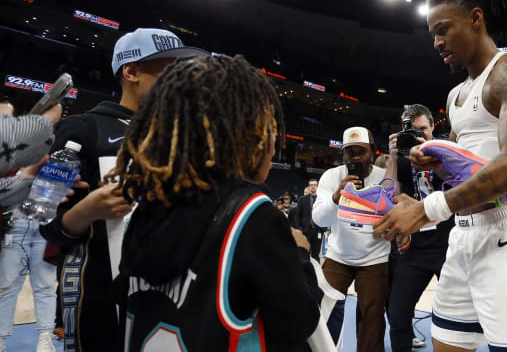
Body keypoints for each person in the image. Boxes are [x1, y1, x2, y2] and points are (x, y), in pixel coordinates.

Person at [375, 0, 507, 352]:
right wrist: (436, 164)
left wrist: (427, 210)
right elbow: (463, 170)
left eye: (443, 30)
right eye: (432, 34)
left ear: (476, 18)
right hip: (463, 235)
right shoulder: (456, 95)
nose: (436, 42)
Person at [106, 54, 321, 351]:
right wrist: (300, 254)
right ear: (244, 134)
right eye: (267, 127)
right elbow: (298, 322)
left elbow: (121, 295)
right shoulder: (253, 214)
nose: (274, 142)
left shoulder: (150, 206)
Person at [39, 28, 208, 352]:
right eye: (170, 70)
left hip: (171, 296)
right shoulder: (82, 129)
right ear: (131, 72)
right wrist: (87, 210)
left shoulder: (183, 141)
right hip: (101, 302)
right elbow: (44, 218)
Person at [384, 104, 453, 352]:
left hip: (450, 245)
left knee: (454, 319)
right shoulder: (401, 157)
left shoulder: (448, 148)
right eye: (413, 131)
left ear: (433, 126)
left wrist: (434, 158)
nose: (419, 135)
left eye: (423, 129)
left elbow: (463, 180)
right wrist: (393, 158)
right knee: (398, 314)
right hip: (414, 248)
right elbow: (390, 196)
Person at [313, 126, 388, 352]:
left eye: (361, 151)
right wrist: (337, 196)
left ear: (372, 153)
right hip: (338, 255)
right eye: (349, 152)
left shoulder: (385, 178)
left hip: (375, 257)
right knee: (323, 312)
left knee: (371, 320)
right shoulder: (331, 176)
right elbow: (318, 219)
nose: (355, 157)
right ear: (342, 155)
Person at [0, 103, 65, 352]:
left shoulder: (57, 154)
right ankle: (2, 338)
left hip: (42, 226)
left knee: (46, 287)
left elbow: (57, 195)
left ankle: (45, 339)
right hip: (13, 225)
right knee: (6, 287)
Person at [293, 179, 323, 260]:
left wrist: (323, 228)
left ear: (317, 186)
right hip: (305, 230)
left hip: (318, 230)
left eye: (314, 185)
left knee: (316, 255)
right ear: (309, 187)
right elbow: (298, 215)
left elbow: (325, 214)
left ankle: (316, 272)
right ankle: (305, 271)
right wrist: (300, 229)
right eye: (311, 185)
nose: (313, 186)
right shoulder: (302, 199)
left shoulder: (322, 200)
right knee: (304, 253)